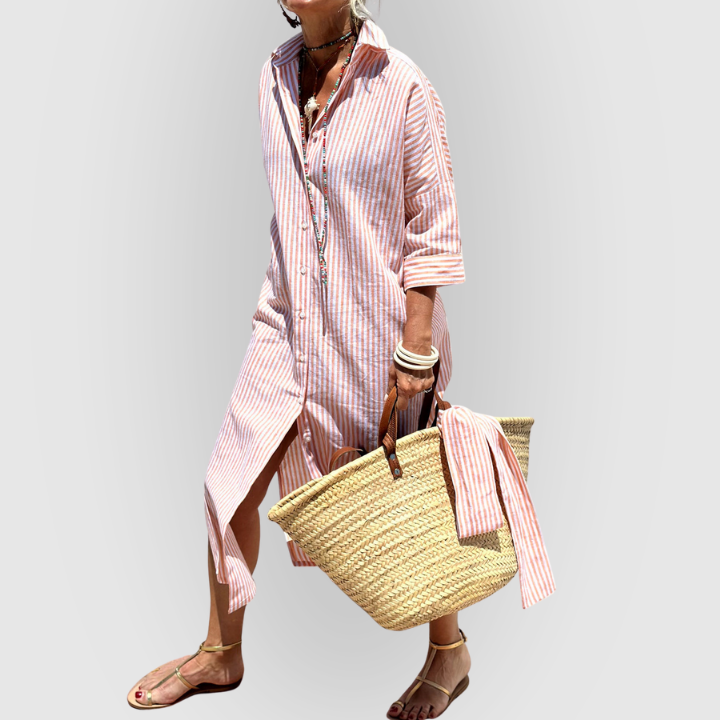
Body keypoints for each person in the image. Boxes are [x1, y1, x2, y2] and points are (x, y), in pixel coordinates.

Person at [127, 2, 471, 717]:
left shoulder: (403, 85)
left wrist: (416, 346)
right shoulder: (273, 79)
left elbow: (432, 223)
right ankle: (221, 651)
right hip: (286, 326)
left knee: (410, 495)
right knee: (226, 482)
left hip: (379, 335)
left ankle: (449, 648)